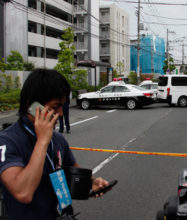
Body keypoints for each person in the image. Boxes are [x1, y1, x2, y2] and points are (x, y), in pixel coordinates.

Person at [0, 69, 110, 219]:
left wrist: (91, 182)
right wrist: (42, 141)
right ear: (32, 106)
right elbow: (23, 192)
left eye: (62, 106)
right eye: (54, 106)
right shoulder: (8, 140)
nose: (60, 113)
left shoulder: (57, 139)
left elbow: (72, 170)